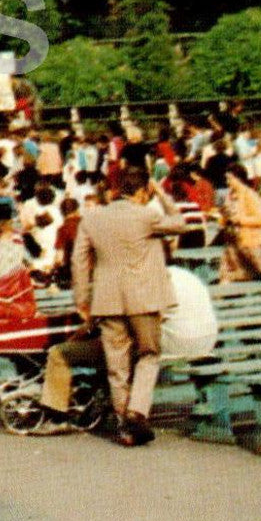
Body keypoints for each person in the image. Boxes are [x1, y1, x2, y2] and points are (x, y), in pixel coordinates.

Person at [72, 166, 187, 446]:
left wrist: (82, 299)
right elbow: (180, 223)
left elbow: (79, 260)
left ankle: (125, 426)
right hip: (143, 297)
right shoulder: (146, 215)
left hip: (107, 299)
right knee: (149, 354)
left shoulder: (92, 218)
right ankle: (137, 411)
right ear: (143, 191)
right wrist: (162, 194)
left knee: (117, 366)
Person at [41, 262, 216, 429]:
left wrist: (74, 340)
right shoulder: (181, 274)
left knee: (60, 354)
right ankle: (105, 399)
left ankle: (56, 420)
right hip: (205, 343)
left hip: (173, 345)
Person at [220, 166, 261, 283]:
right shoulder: (229, 196)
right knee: (226, 275)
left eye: (230, 179)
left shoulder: (249, 195)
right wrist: (224, 218)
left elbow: (260, 220)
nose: (227, 182)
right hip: (232, 242)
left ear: (239, 178)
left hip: (251, 243)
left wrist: (240, 220)